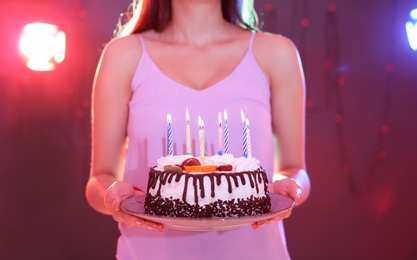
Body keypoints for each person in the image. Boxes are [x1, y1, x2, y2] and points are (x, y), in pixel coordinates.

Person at [85, 0, 311, 259]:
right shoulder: (123, 54)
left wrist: (288, 188)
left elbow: (297, 169)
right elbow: (99, 180)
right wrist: (113, 198)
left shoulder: (277, 54)